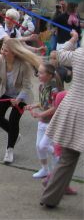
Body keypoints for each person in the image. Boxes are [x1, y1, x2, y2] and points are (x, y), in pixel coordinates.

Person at [40, 30, 83, 208]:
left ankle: (49, 198)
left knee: (67, 158)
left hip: (74, 109)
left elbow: (59, 54)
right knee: (67, 157)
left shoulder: (80, 53)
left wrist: (72, 39)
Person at [0, 38, 41, 164]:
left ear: (14, 53)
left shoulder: (25, 64)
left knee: (13, 120)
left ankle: (9, 150)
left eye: (6, 51)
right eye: (2, 49)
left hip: (21, 96)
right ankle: (15, 135)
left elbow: (27, 86)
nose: (2, 52)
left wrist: (19, 99)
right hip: (5, 93)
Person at [24, 63, 62, 178]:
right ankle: (45, 169)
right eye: (38, 72)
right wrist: (33, 106)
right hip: (42, 122)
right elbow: (44, 103)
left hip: (52, 123)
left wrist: (40, 114)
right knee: (38, 146)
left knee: (43, 146)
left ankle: (59, 156)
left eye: (41, 73)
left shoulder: (55, 89)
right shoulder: (42, 86)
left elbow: (55, 108)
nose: (38, 75)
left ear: (50, 75)